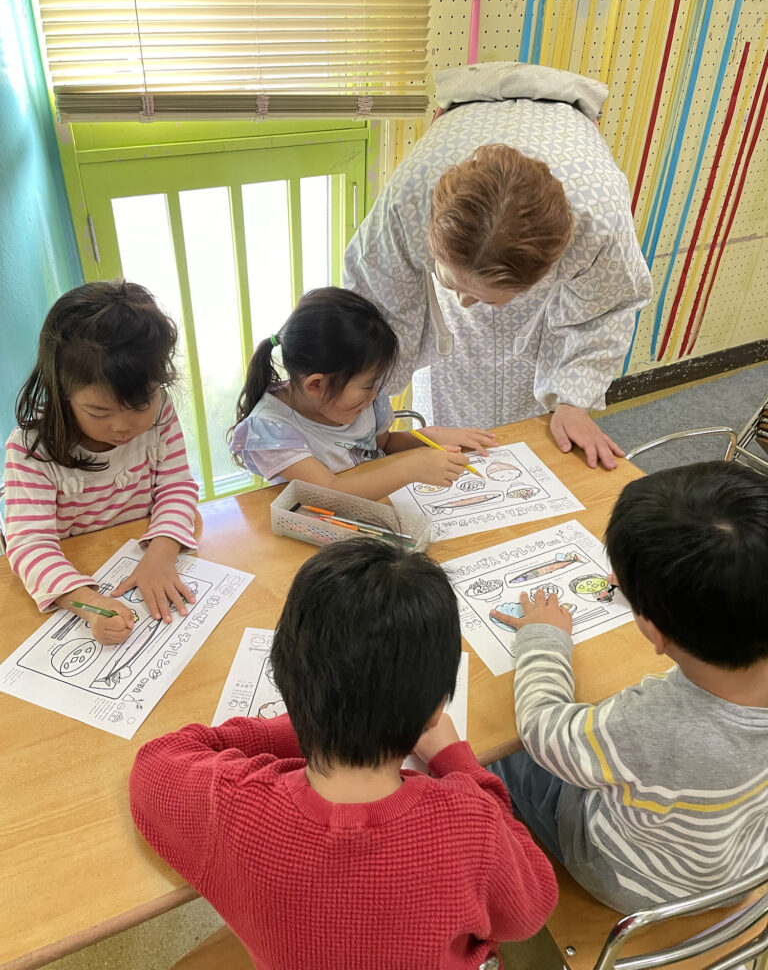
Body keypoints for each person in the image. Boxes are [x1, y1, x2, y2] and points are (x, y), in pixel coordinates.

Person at [130, 538, 558, 968]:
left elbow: (156, 760)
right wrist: (457, 761)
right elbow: (529, 912)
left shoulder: (230, 807)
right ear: (433, 713)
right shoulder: (470, 823)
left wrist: (309, 721)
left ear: (286, 681)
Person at [488, 461, 768, 912]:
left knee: (502, 754)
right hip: (739, 867)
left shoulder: (655, 720)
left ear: (655, 633)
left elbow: (544, 730)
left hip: (633, 878)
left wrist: (544, 637)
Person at [344, 83, 652, 471]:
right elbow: (378, 302)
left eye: (487, 296)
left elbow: (605, 308)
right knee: (447, 374)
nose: (463, 303)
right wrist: (364, 397)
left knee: (531, 396)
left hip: (567, 195)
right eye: (453, 285)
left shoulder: (598, 223)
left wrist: (574, 400)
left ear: (544, 271)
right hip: (443, 195)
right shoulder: (410, 199)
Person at [5, 280, 199, 645]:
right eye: (98, 411)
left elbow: (177, 486)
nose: (124, 426)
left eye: (142, 404)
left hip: (142, 553)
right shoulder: (31, 448)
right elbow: (29, 543)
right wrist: (89, 603)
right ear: (63, 393)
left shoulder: (160, 415)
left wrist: (161, 553)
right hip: (79, 570)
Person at [229, 287, 495, 499]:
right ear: (316, 385)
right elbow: (330, 492)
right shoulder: (271, 429)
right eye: (368, 385)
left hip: (384, 510)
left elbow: (382, 445)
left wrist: (427, 437)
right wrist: (411, 468)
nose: (375, 394)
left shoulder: (363, 400)